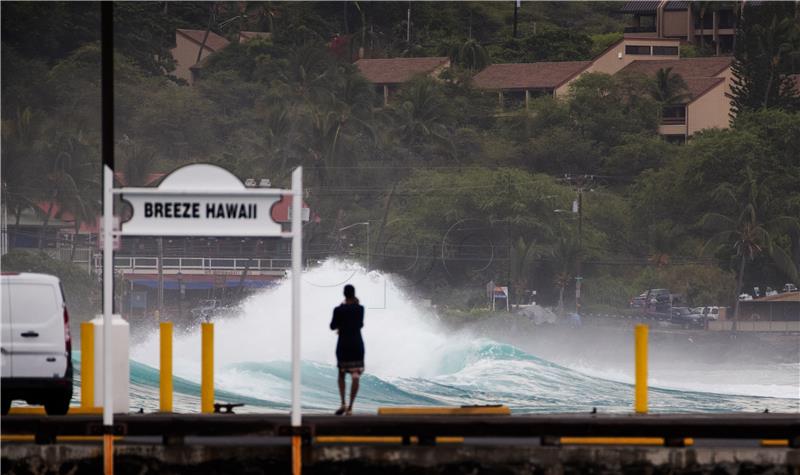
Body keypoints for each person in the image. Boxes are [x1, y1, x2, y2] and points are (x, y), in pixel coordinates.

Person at [330, 284, 365, 415]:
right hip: (356, 344)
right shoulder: (360, 309)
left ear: (344, 294)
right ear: (353, 293)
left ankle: (343, 403)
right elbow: (360, 324)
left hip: (343, 344)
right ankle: (350, 407)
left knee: (342, 373)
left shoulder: (338, 310)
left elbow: (332, 326)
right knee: (355, 375)